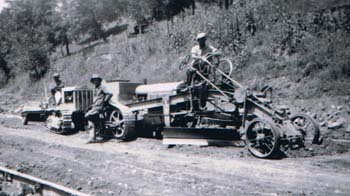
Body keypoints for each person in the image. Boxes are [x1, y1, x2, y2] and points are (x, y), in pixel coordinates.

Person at [85, 74, 113, 143]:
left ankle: (98, 125)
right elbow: (96, 99)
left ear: (99, 80)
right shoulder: (95, 88)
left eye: (96, 80)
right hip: (95, 106)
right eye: (94, 80)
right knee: (91, 121)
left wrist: (104, 101)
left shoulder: (102, 87)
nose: (95, 81)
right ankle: (93, 136)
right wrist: (91, 105)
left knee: (87, 116)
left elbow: (109, 94)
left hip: (99, 106)